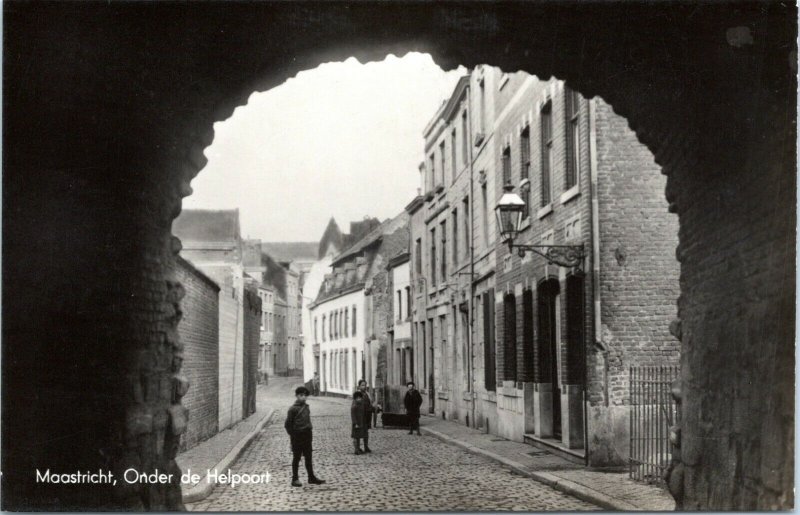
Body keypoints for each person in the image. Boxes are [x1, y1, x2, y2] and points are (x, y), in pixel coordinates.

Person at [284, 386, 326, 487]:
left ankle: (311, 477)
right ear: (297, 396)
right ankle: (295, 479)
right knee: (296, 457)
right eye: (301, 395)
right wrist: (293, 436)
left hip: (307, 435)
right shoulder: (293, 409)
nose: (303, 397)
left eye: (305, 395)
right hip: (297, 436)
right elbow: (287, 425)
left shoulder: (306, 407)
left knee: (308, 457)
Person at [355, 379, 374, 451]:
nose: (364, 386)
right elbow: (355, 406)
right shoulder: (357, 395)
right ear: (359, 386)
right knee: (359, 432)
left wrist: (372, 408)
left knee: (366, 431)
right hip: (360, 416)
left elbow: (369, 404)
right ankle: (358, 447)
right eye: (362, 385)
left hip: (367, 416)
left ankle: (366, 446)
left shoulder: (367, 394)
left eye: (365, 385)